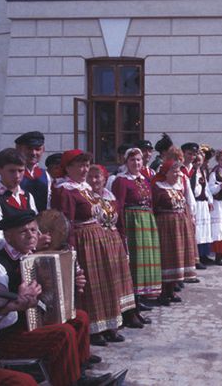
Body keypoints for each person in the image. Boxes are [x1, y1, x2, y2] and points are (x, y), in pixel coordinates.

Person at [0, 211, 111, 386]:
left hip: (30, 323)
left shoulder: (33, 255)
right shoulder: (0, 266)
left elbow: (49, 293)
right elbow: (0, 308)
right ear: (8, 237)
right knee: (63, 334)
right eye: (23, 232)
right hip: (7, 336)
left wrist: (72, 282)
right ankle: (69, 382)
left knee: (79, 317)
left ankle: (78, 373)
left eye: (34, 230)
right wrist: (16, 304)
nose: (31, 236)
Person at [51, 150, 126, 346]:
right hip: (83, 242)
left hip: (98, 239)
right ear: (68, 168)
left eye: (86, 165)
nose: (84, 169)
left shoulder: (85, 188)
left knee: (105, 283)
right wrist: (71, 251)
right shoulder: (65, 190)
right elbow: (65, 223)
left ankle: (109, 325)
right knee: (91, 287)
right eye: (80, 165)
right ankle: (94, 330)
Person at [86, 164, 143, 328]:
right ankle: (107, 321)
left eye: (98, 177)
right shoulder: (87, 197)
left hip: (114, 241)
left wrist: (123, 243)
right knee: (106, 282)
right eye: (90, 177)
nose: (94, 180)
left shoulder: (109, 196)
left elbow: (119, 223)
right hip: (97, 243)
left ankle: (126, 315)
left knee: (121, 280)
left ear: (104, 179)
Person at [111, 148, 163, 308]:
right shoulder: (121, 180)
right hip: (132, 222)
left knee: (146, 259)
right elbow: (118, 205)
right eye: (132, 160)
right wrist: (122, 229)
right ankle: (132, 300)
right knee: (133, 260)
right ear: (126, 162)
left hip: (146, 222)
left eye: (139, 160)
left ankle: (142, 296)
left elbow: (151, 202)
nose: (136, 163)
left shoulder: (146, 179)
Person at [151, 160, 198, 303]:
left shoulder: (178, 187)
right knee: (167, 258)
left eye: (178, 171)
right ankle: (163, 292)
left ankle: (171, 290)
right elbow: (153, 206)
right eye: (174, 171)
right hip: (166, 225)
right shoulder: (158, 187)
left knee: (178, 257)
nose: (177, 174)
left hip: (180, 224)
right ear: (166, 172)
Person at [0, 149, 45, 252]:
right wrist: (31, 245)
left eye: (20, 170)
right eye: (12, 171)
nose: (17, 176)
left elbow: (34, 225)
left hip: (27, 256)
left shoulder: (27, 196)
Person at [189, 151, 215, 266]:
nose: (198, 163)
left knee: (205, 230)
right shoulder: (191, 173)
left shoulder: (203, 172)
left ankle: (204, 254)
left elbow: (207, 188)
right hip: (197, 203)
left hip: (203, 204)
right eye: (196, 160)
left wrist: (210, 200)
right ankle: (197, 257)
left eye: (200, 160)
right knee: (198, 231)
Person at [15, 132, 51, 212]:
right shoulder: (11, 174)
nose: (33, 153)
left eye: (37, 149)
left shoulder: (45, 175)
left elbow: (48, 203)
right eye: (29, 148)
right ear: (19, 149)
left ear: (43, 150)